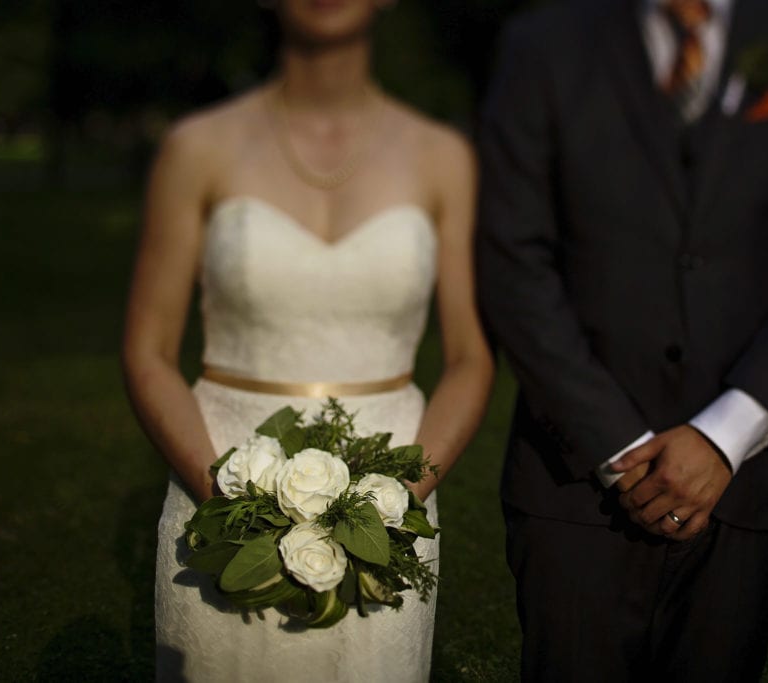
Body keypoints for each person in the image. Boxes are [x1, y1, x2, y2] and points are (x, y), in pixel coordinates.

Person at [476, 0, 768, 680]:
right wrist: (618, 447)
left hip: (750, 486)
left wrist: (727, 433)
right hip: (573, 481)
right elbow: (511, 256)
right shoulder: (543, 44)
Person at [121, 1, 493, 680]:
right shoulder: (197, 147)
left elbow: (469, 358)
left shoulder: (442, 157)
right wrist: (226, 503)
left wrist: (395, 506)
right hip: (221, 479)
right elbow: (148, 348)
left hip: (390, 502)